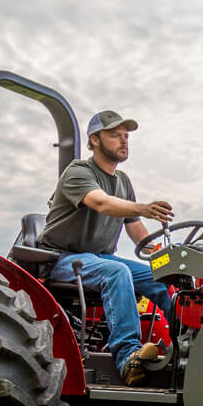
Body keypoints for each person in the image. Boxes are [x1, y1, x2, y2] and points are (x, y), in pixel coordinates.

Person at [38, 110, 175, 386]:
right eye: (115, 135)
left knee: (162, 276)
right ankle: (128, 357)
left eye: (126, 136)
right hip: (63, 260)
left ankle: (187, 346)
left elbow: (135, 229)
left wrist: (163, 255)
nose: (123, 141)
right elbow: (101, 203)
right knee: (116, 272)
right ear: (95, 140)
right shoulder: (78, 172)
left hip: (99, 258)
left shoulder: (123, 181)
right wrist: (145, 208)